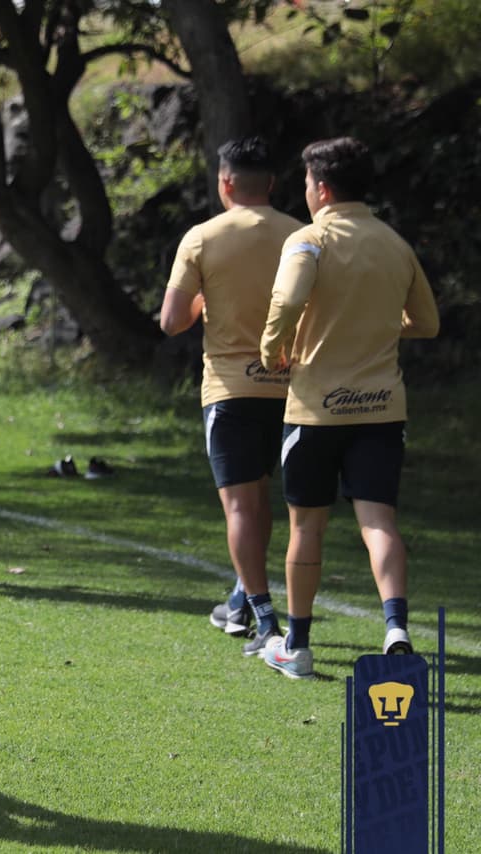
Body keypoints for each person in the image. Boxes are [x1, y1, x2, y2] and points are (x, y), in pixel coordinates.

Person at [258, 136, 438, 679]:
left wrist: (273, 351)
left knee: (306, 527)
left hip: (315, 409)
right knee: (378, 520)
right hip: (383, 409)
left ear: (323, 188)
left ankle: (298, 645)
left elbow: (288, 300)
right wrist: (381, 328)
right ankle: (396, 627)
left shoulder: (308, 239)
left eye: (308, 183)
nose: (306, 192)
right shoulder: (394, 243)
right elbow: (426, 323)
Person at [160, 137, 303, 656]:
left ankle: (264, 618)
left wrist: (200, 303)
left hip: (230, 389)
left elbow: (171, 321)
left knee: (241, 506)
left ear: (225, 183)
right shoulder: (302, 234)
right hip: (293, 389)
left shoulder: (202, 237)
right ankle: (241, 601)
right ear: (272, 183)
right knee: (264, 498)